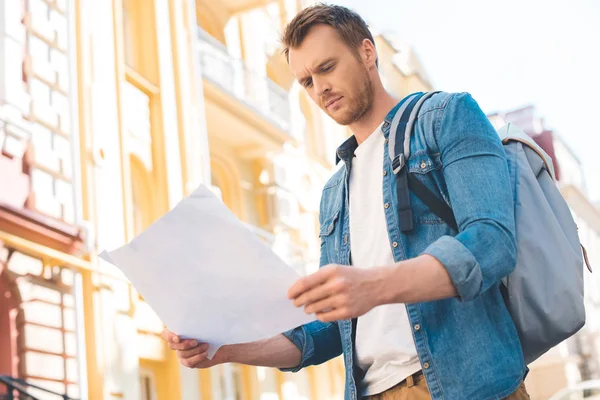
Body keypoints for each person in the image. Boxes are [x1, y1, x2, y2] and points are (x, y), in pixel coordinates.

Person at [162, 4, 531, 399]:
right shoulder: (334, 191)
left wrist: (373, 286)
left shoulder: (446, 117)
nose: (319, 88)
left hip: (469, 387)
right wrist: (224, 350)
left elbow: (492, 242)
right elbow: (326, 329)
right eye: (306, 81)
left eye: (326, 68)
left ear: (367, 52)